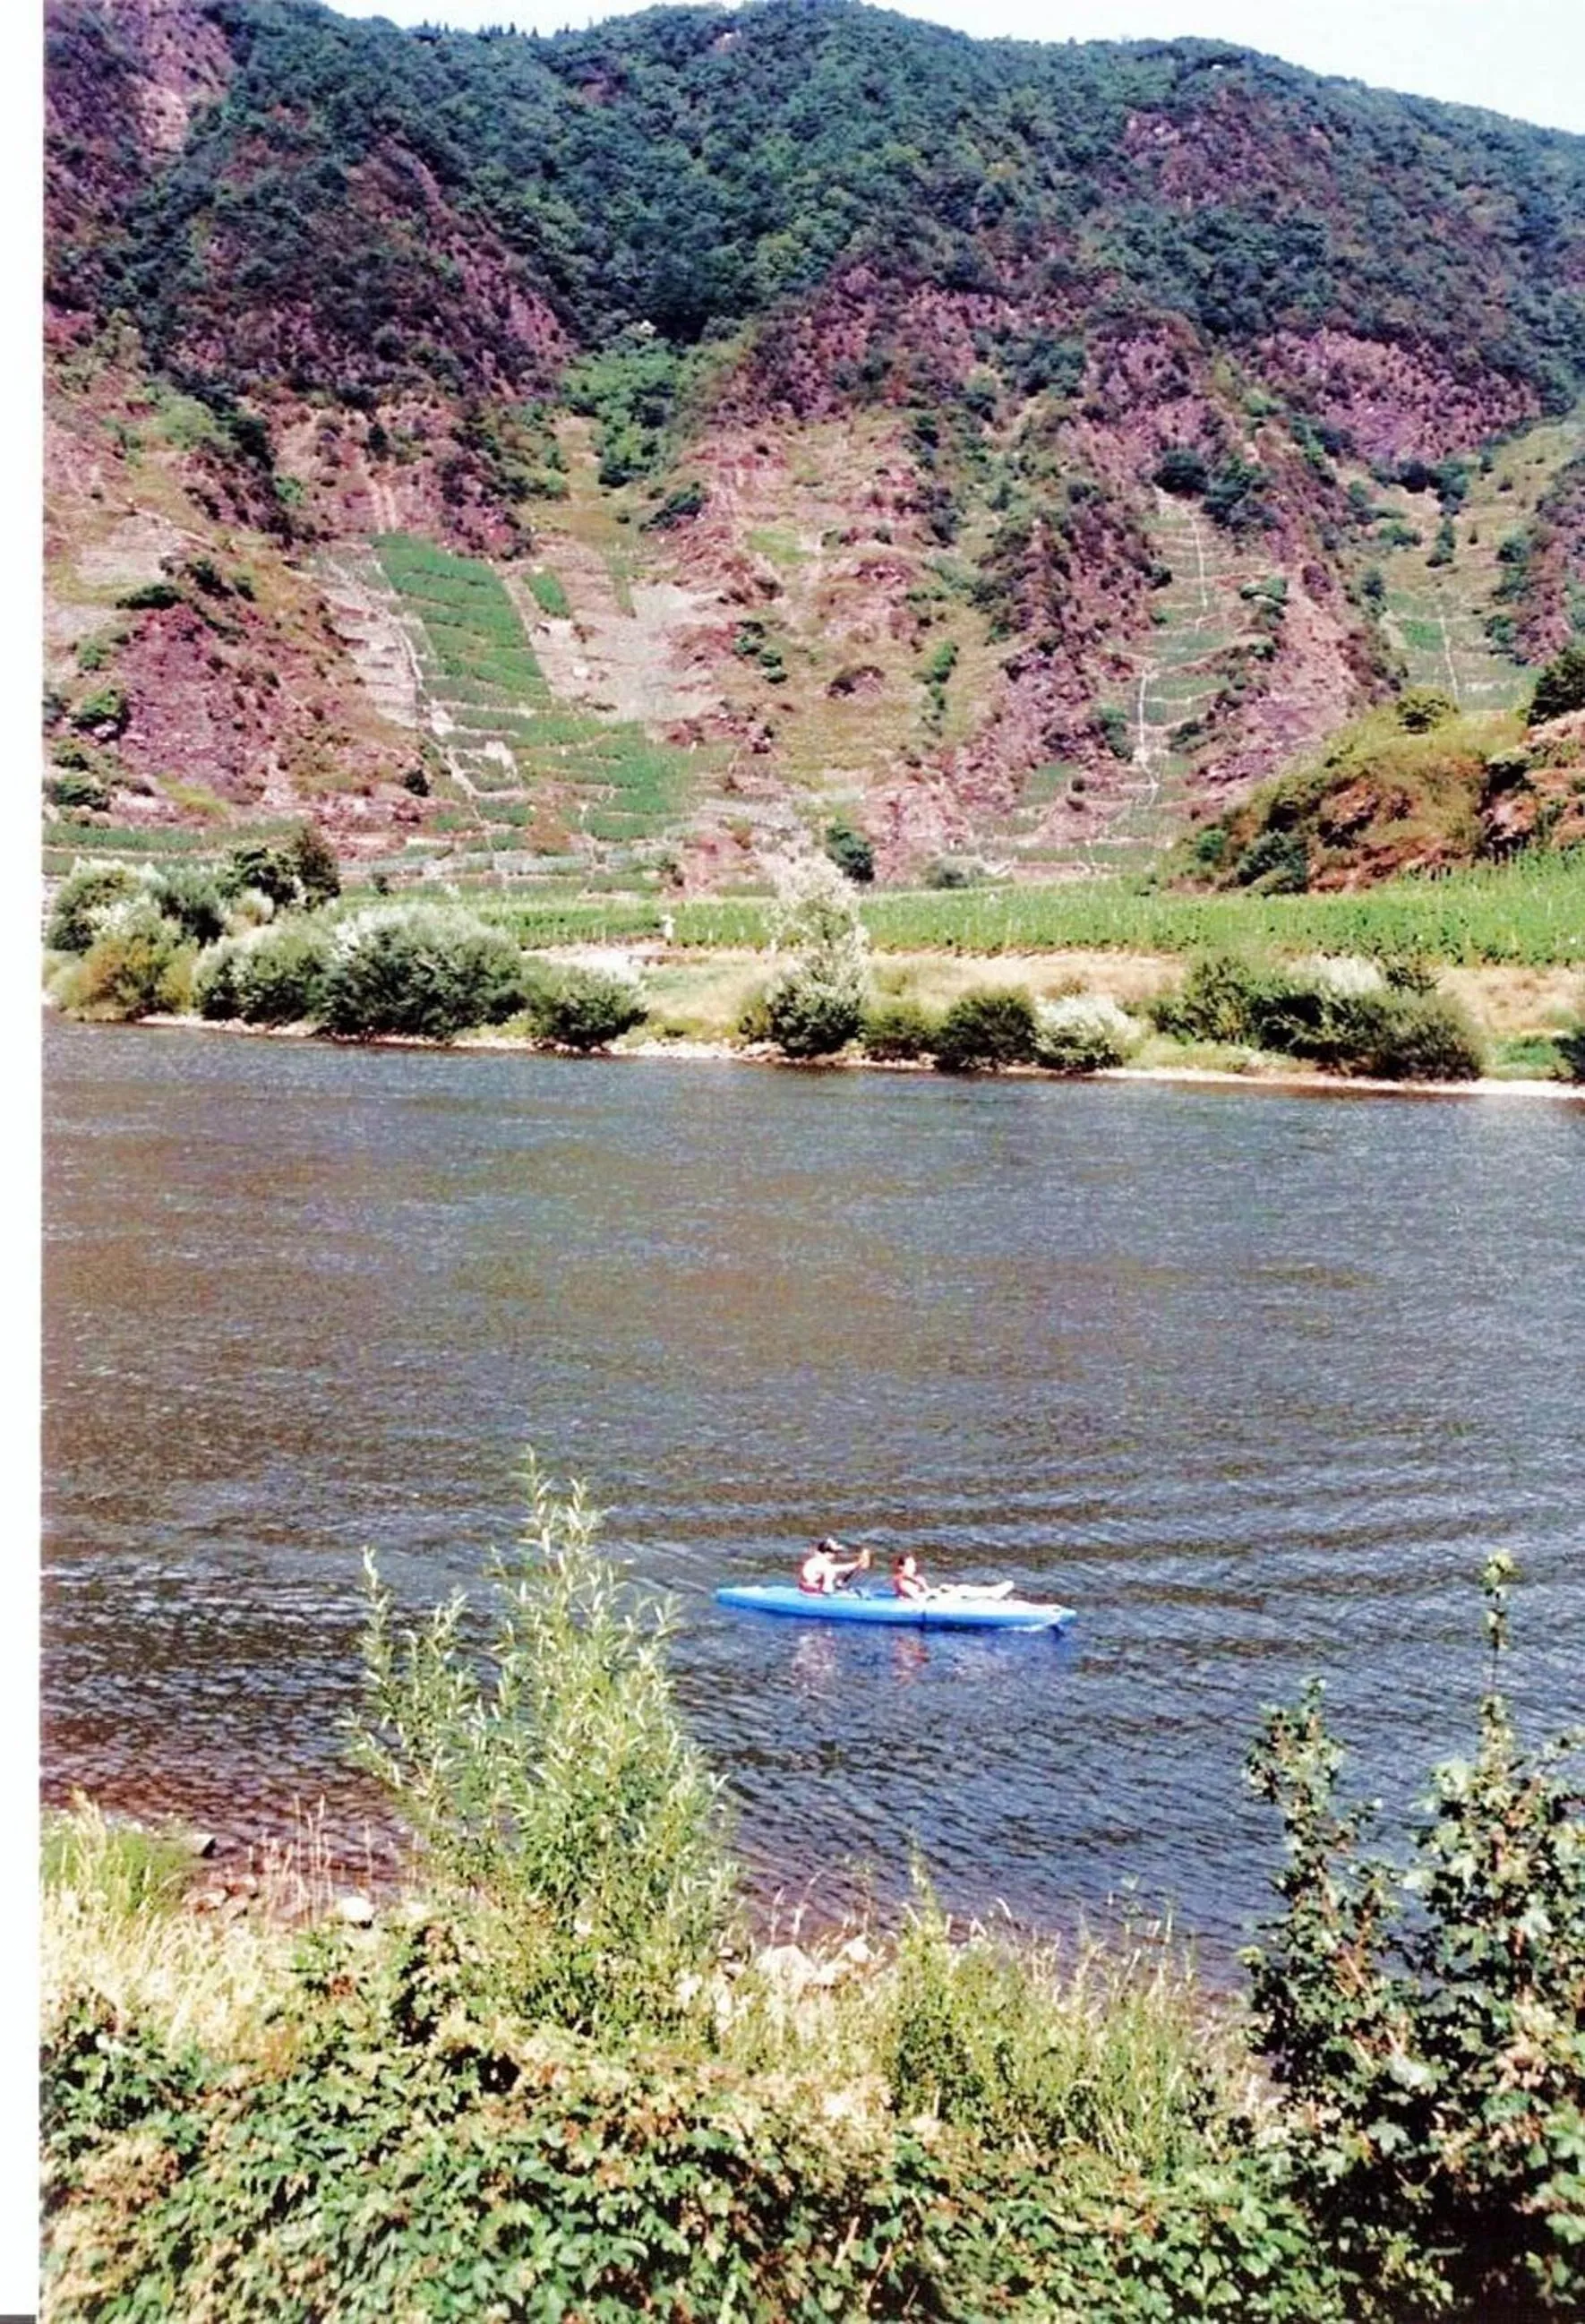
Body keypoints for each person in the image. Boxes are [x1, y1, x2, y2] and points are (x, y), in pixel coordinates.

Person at [798, 1536, 870, 1594]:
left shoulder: (820, 1561)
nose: (836, 1555)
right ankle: (831, 1596)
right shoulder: (816, 1563)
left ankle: (838, 1589)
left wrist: (854, 1568)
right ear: (827, 1553)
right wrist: (856, 1564)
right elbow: (833, 1569)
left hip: (808, 1592)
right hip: (813, 1595)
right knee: (831, 1572)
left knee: (842, 1577)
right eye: (835, 1553)